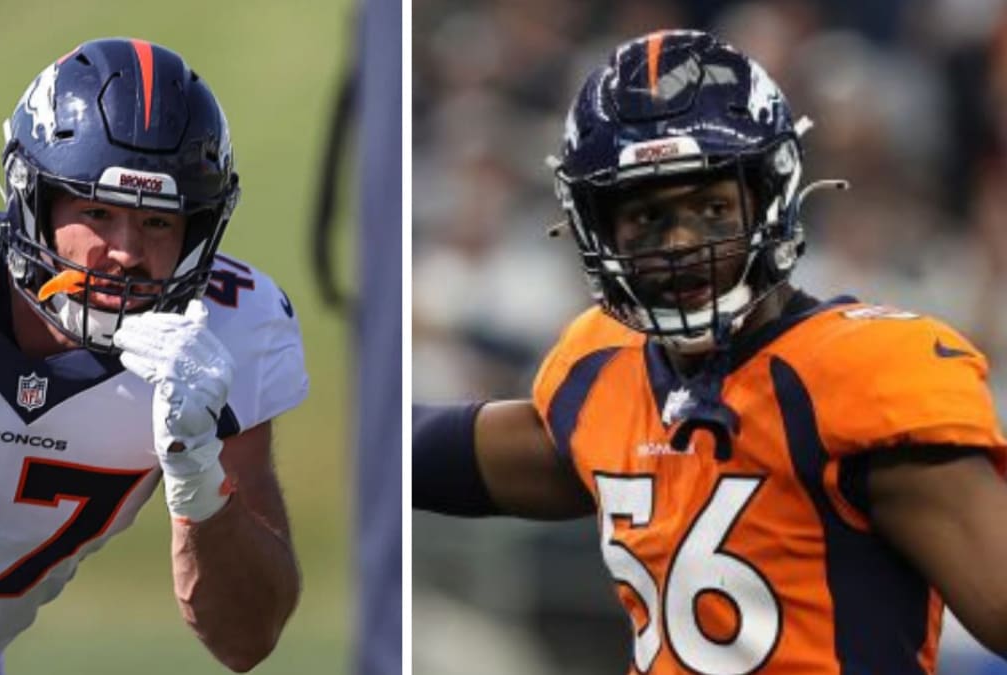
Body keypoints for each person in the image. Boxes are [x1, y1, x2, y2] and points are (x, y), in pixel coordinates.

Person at [415, 29, 1007, 673]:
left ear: (769, 196)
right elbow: (429, 449)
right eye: (646, 217)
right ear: (596, 225)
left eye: (714, 206)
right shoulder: (602, 368)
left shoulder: (858, 372)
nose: (681, 242)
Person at [0, 38, 307, 674]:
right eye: (97, 212)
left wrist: (198, 472)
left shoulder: (222, 340)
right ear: (31, 199)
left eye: (158, 223)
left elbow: (246, 639)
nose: (125, 251)